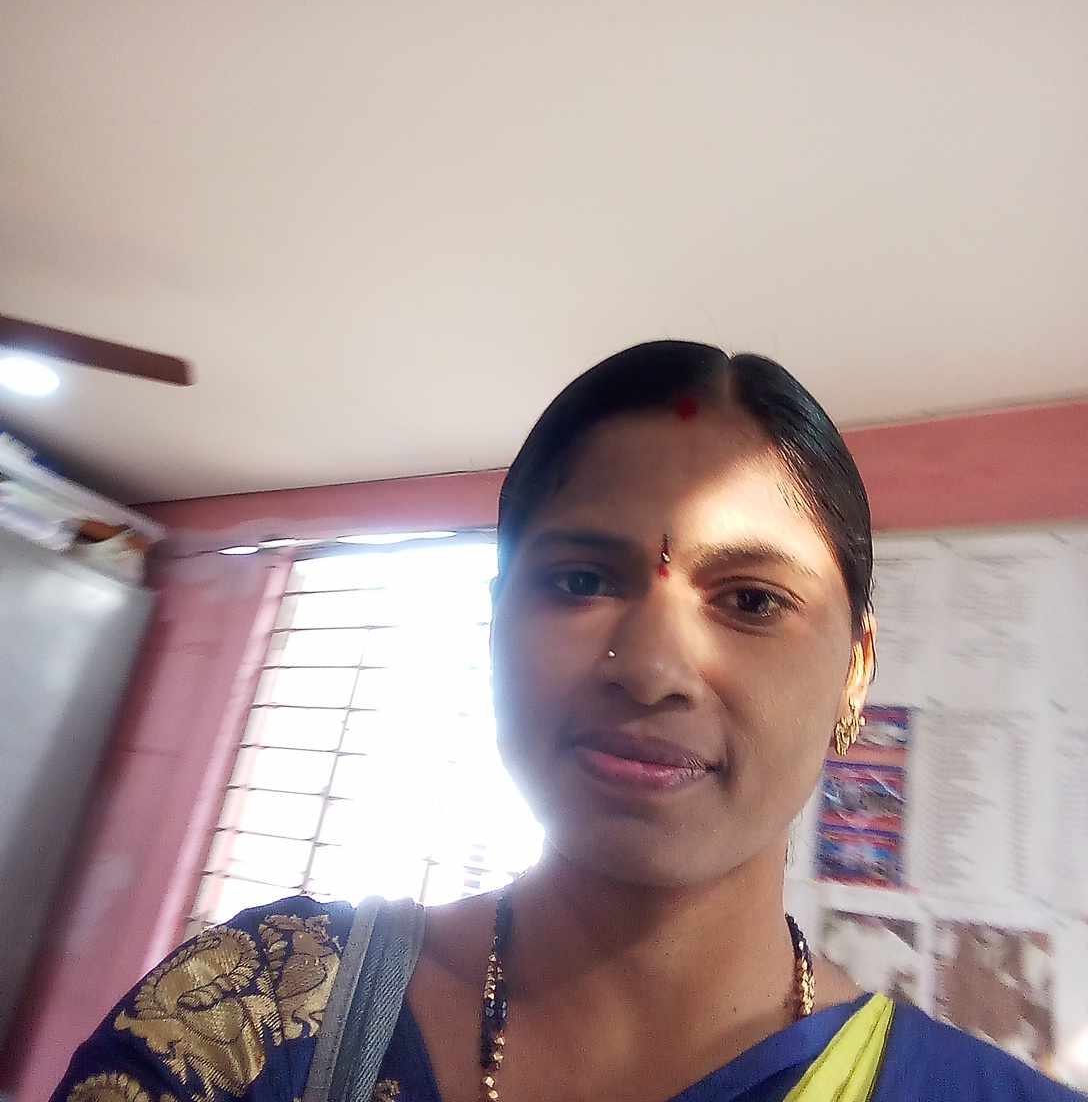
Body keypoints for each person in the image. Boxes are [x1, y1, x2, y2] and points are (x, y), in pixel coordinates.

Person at [50, 343, 1077, 1101]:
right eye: (581, 580)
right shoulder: (252, 1020)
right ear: (495, 621)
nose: (655, 671)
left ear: (855, 672)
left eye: (751, 600)